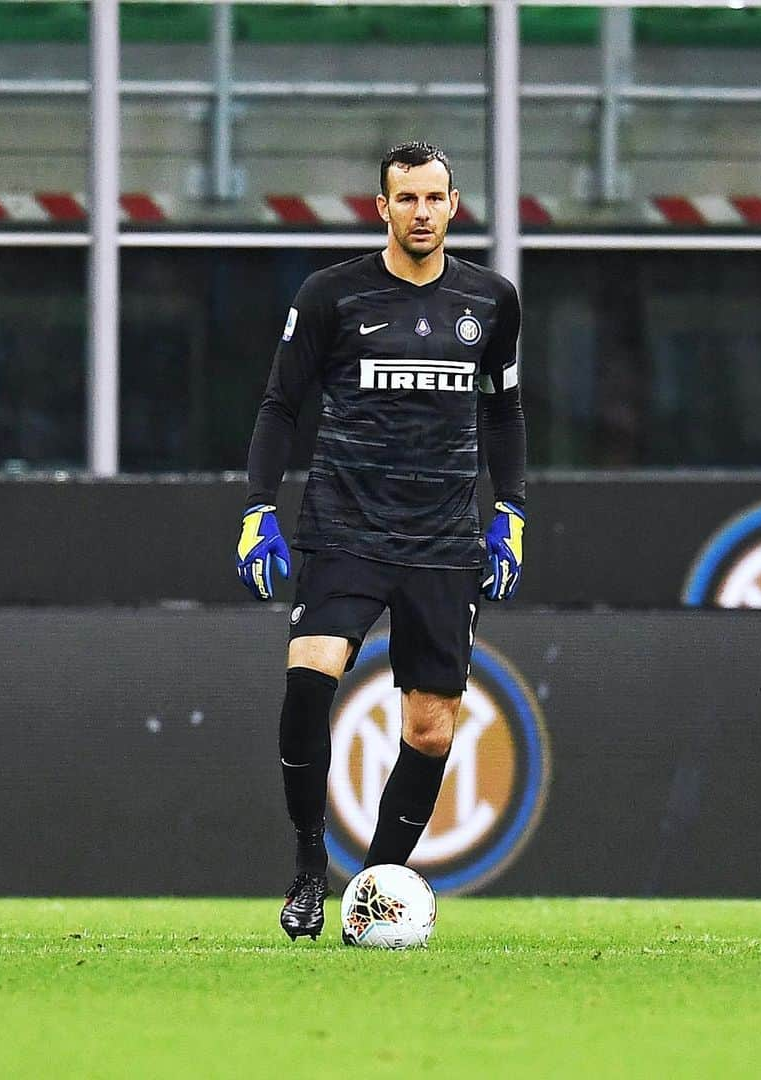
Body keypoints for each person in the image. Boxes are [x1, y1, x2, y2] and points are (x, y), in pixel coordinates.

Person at [236, 141, 526, 941]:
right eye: (408, 199)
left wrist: (514, 511)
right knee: (309, 680)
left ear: (454, 205)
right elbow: (279, 407)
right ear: (383, 209)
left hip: (442, 540)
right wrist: (259, 508)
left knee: (431, 729)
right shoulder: (332, 296)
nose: (423, 212)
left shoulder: (492, 301)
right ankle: (306, 868)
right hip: (345, 527)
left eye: (435, 198)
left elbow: (504, 412)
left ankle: (375, 885)